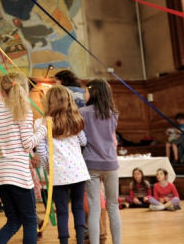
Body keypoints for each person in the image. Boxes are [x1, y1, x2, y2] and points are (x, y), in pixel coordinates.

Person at [0, 72, 47, 244]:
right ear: (24, 90)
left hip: (1, 175)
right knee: (30, 220)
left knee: (13, 221)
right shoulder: (24, 111)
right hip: (18, 175)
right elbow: (27, 144)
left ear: (3, 91)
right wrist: (43, 128)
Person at [36, 85, 89, 244]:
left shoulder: (41, 122)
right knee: (78, 207)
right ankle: (80, 240)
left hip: (58, 173)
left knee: (62, 211)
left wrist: (49, 169)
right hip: (78, 172)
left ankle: (64, 242)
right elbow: (83, 141)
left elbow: (42, 152)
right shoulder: (75, 119)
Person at [81, 79, 121, 244]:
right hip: (111, 163)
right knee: (113, 206)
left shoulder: (82, 112)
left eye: (86, 91)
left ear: (93, 92)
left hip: (91, 163)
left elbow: (82, 139)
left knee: (94, 207)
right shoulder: (114, 114)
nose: (84, 94)